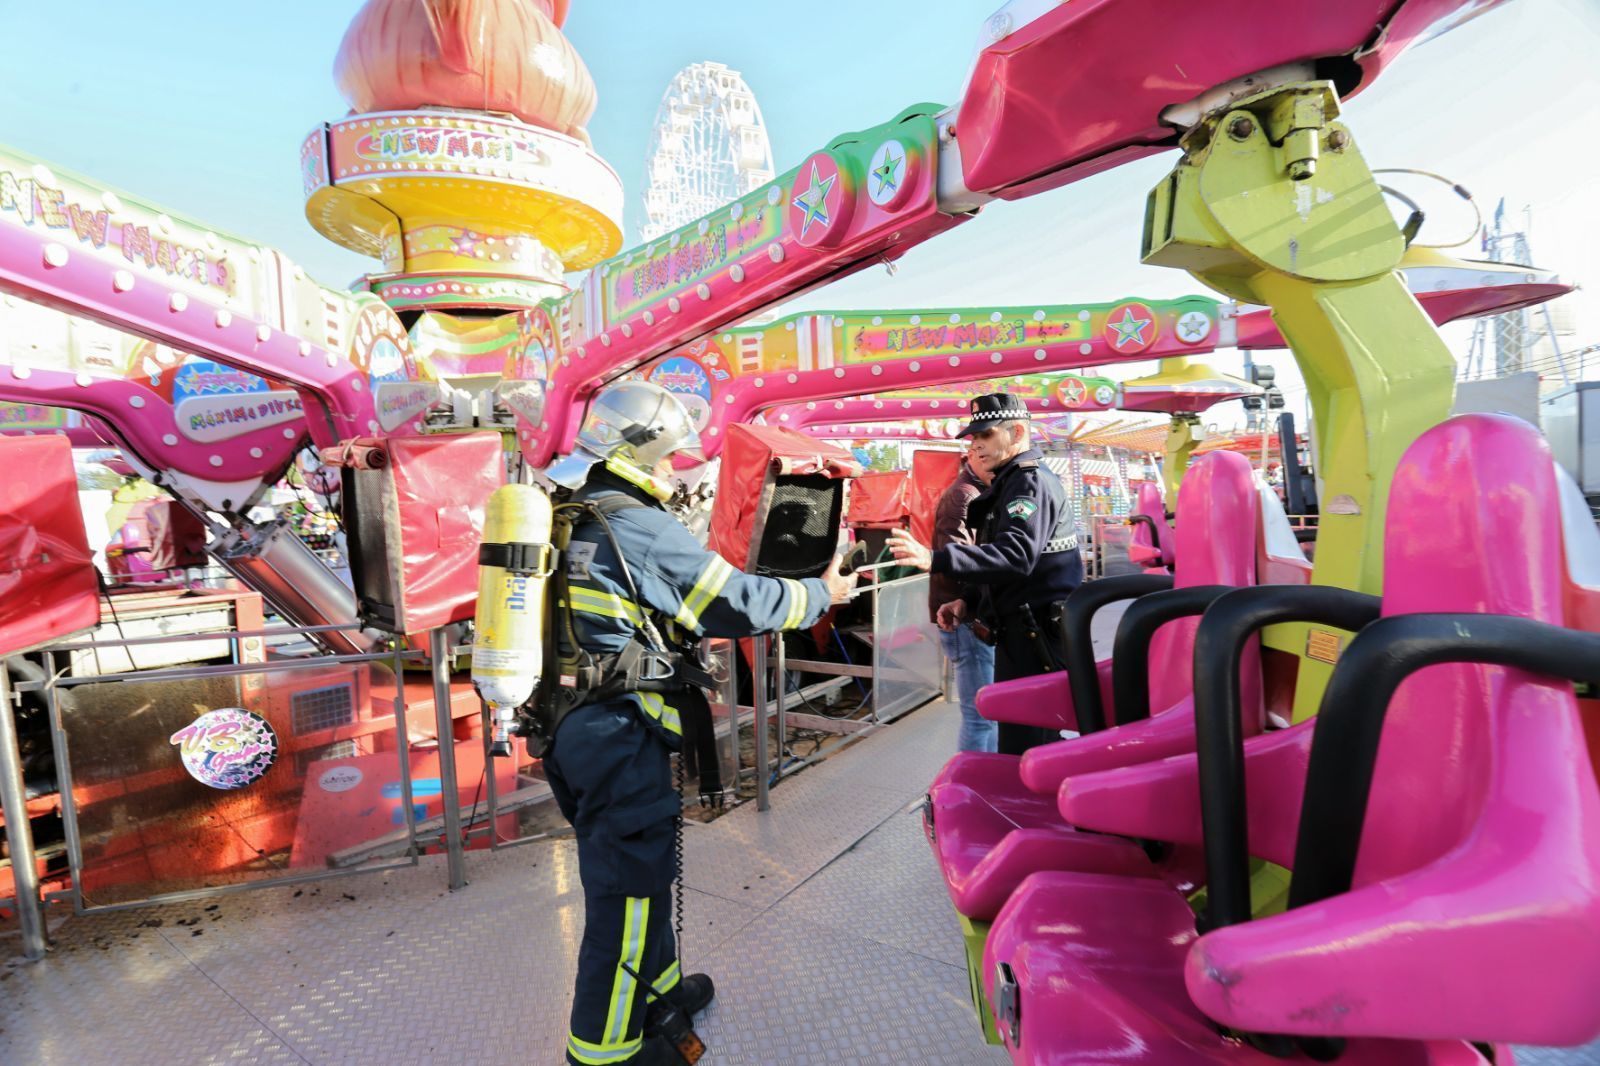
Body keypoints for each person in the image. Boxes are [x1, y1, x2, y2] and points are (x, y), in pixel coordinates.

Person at [542, 381, 854, 1066]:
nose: (674, 470)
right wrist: (815, 594)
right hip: (616, 734)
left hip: (572, 728)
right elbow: (732, 602)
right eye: (671, 457)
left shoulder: (569, 510)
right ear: (645, 453)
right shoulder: (636, 522)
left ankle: (659, 993)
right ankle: (605, 1053)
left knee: (644, 875)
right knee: (624, 897)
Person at [887, 393, 1084, 755]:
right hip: (1021, 632)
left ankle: (1027, 810)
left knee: (1028, 743)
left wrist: (937, 560)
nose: (975, 445)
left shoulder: (1029, 482)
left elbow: (1016, 556)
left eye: (986, 435)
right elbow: (1008, 561)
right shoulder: (1009, 482)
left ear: (1018, 432)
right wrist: (969, 599)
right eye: (973, 437)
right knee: (1020, 736)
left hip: (1035, 637)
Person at [929, 443, 997, 752]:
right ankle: (973, 785)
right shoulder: (964, 496)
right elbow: (956, 559)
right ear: (970, 456)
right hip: (964, 618)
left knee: (987, 714)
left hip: (968, 615)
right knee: (981, 716)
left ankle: (986, 780)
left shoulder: (976, 492)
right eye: (982, 452)